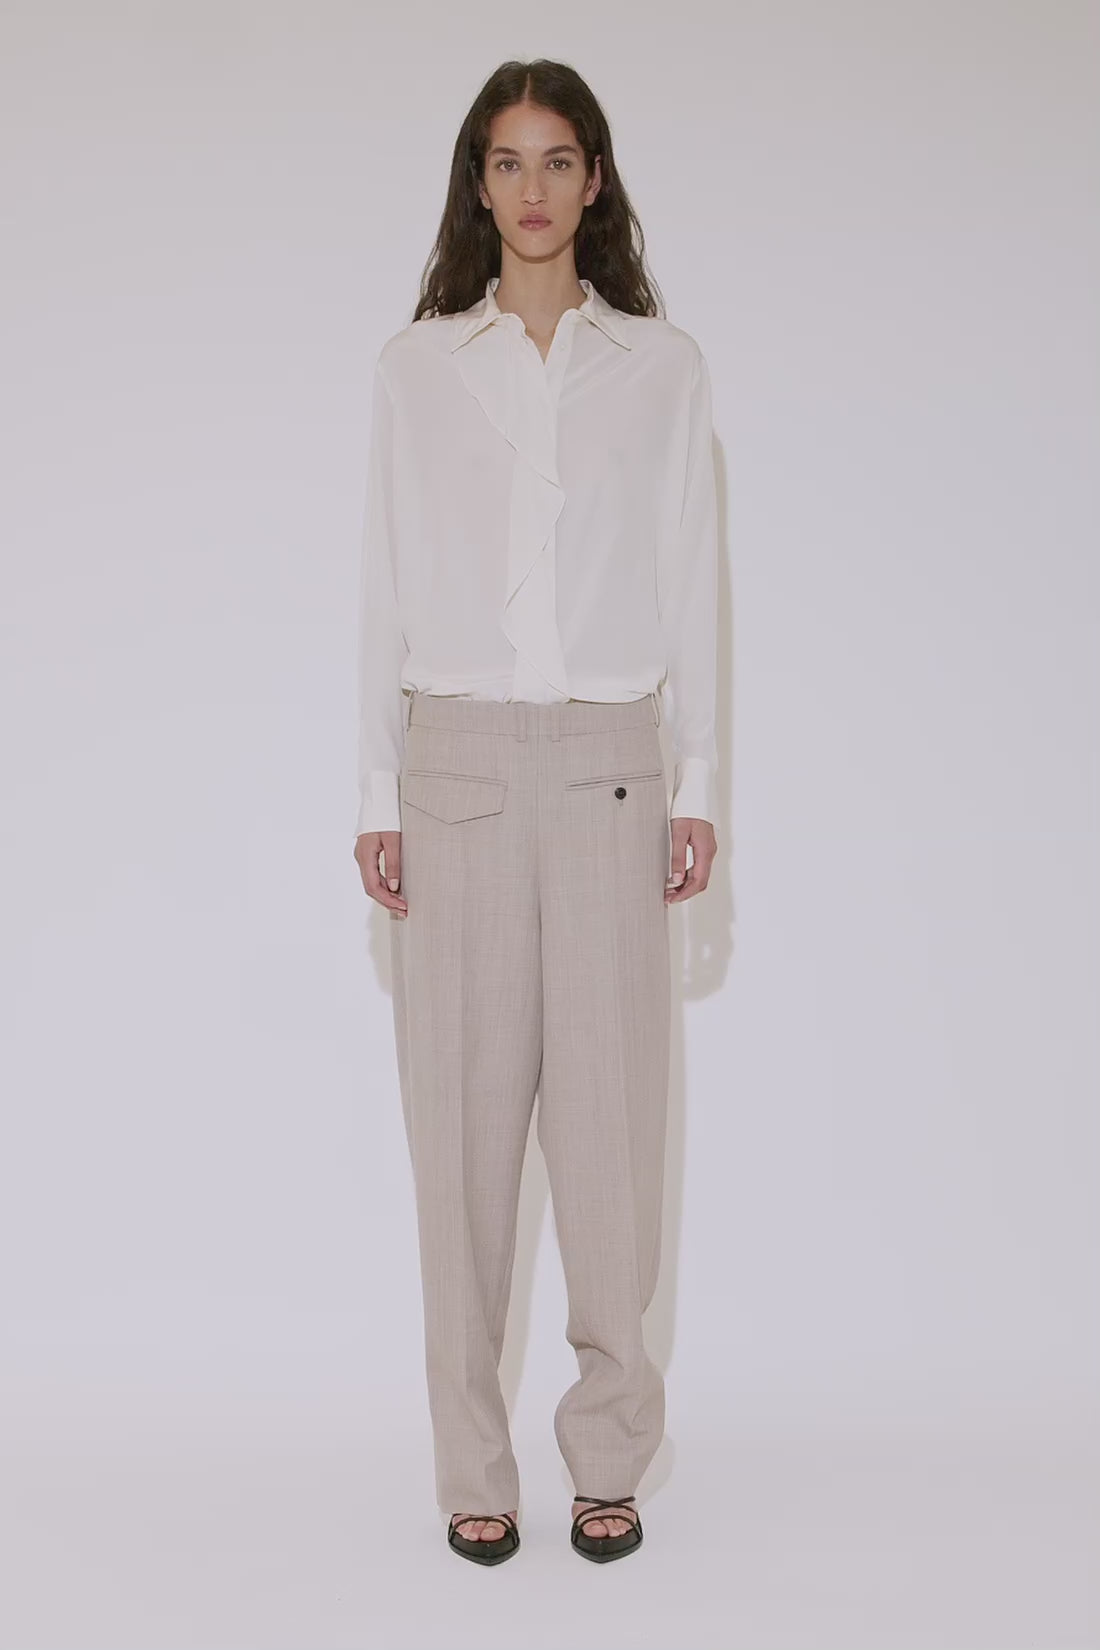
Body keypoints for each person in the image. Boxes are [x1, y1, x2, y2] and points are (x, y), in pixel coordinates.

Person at [353, 58, 719, 1566]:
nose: (533, 188)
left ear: (596, 178)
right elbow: (381, 579)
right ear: (477, 184)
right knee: (460, 1143)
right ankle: (472, 1462)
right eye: (506, 162)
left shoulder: (662, 365)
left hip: (614, 765)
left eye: (558, 159)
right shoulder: (416, 366)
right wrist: (375, 788)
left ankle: (610, 1448)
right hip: (454, 769)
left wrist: (703, 784)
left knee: (613, 1138)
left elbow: (695, 579)